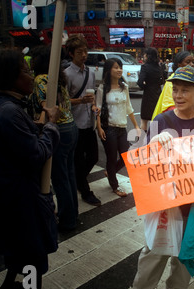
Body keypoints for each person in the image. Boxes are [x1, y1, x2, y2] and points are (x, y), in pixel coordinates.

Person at [0, 48, 60, 289]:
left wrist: (37, 126)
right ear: (9, 77)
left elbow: (10, 143)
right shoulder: (9, 112)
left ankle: (7, 287)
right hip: (22, 198)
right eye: (25, 71)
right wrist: (52, 127)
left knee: (17, 248)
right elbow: (36, 154)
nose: (31, 75)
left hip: (4, 195)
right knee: (32, 255)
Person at [132, 65, 194, 289]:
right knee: (155, 250)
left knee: (187, 248)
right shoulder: (161, 120)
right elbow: (145, 163)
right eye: (176, 90)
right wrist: (153, 145)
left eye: (185, 91)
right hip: (165, 200)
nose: (179, 96)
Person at [29, 45, 79, 233]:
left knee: (60, 178)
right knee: (69, 175)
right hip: (71, 127)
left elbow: (46, 108)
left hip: (58, 129)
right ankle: (73, 214)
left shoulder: (41, 79)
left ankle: (67, 220)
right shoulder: (59, 77)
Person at [64, 35, 101, 207]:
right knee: (78, 159)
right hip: (74, 124)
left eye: (85, 51)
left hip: (89, 122)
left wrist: (94, 106)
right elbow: (63, 102)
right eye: (80, 52)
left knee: (93, 156)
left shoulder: (90, 73)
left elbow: (92, 96)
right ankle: (85, 191)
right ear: (71, 54)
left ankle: (78, 180)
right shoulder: (66, 75)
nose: (84, 55)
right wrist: (80, 101)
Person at [95, 58, 140, 197]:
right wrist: (99, 128)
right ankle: (115, 186)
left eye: (120, 67)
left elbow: (128, 107)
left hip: (122, 127)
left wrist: (136, 126)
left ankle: (111, 171)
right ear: (109, 70)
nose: (119, 70)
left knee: (126, 156)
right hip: (108, 128)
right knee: (111, 157)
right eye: (116, 67)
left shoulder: (124, 87)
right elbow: (98, 109)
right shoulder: (102, 88)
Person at [151, 51, 194, 120]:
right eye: (188, 62)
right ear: (179, 65)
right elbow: (168, 107)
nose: (192, 64)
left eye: (192, 62)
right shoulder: (172, 81)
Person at [137, 47, 164, 132]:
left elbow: (140, 82)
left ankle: (142, 141)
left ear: (148, 56)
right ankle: (153, 140)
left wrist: (145, 86)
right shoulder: (159, 67)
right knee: (155, 120)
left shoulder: (145, 67)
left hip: (148, 95)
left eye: (145, 55)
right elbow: (162, 81)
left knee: (144, 120)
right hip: (157, 95)